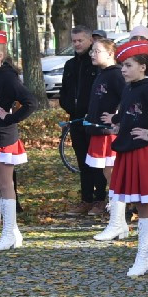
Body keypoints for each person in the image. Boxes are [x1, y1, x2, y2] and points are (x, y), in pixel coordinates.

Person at [104, 40, 148, 276]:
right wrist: (117, 124)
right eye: (122, 65)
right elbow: (131, 114)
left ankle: (143, 258)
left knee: (143, 204)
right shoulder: (129, 88)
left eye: (128, 65)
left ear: (143, 66)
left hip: (143, 153)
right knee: (140, 204)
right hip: (128, 150)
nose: (123, 69)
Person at [59, 26, 105, 215]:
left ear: (90, 40)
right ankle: (86, 199)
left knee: (97, 162)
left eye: (80, 40)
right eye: (74, 41)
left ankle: (100, 199)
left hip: (93, 120)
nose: (77, 44)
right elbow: (65, 91)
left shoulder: (96, 63)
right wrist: (70, 107)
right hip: (76, 120)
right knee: (83, 161)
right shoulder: (70, 64)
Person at [0, 32, 36, 251]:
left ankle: (8, 232)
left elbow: (31, 102)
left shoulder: (7, 77)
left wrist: (10, 117)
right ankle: (13, 233)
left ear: (0, 55)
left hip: (3, 136)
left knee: (4, 184)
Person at [88, 38, 128, 241]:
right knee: (108, 174)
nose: (93, 54)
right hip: (98, 131)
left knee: (113, 175)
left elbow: (127, 98)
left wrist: (117, 119)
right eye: (92, 51)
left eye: (97, 51)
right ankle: (118, 222)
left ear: (110, 54)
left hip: (109, 133)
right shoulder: (102, 74)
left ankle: (117, 223)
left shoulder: (116, 74)